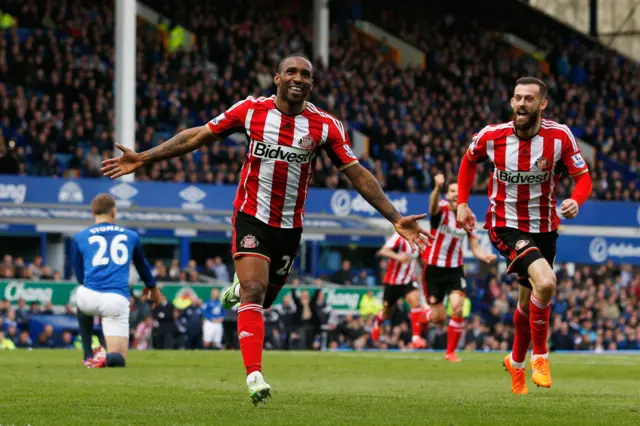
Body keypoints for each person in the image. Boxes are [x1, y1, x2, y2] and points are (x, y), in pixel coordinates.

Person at [100, 52, 432, 405]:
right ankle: (254, 375)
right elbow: (197, 137)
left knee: (265, 299)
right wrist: (144, 158)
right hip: (251, 215)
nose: (298, 78)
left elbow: (357, 174)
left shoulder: (325, 126)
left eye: (306, 74)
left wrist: (394, 218)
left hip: (289, 227)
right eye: (291, 71)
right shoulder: (250, 110)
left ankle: (238, 289)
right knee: (254, 291)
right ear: (277, 78)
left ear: (311, 83)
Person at [456, 77, 592, 394]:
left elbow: (583, 178)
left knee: (528, 302)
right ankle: (540, 357)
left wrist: (576, 200)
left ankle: (515, 363)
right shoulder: (492, 136)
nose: (521, 104)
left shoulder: (559, 137)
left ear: (542, 104)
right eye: (517, 98)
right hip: (506, 224)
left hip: (544, 228)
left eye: (529, 99)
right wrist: (462, 203)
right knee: (545, 283)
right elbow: (468, 161)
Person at [72, 194, 162, 368]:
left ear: (93, 213)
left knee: (82, 302)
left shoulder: (79, 237)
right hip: (116, 300)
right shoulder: (131, 236)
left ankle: (87, 354)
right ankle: (105, 358)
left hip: (88, 296)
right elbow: (142, 267)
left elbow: (79, 277)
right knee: (118, 359)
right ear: (113, 212)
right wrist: (153, 289)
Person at [422, 173, 496, 361]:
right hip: (434, 268)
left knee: (457, 307)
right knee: (438, 319)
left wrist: (484, 257)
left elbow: (475, 246)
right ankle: (427, 313)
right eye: (452, 191)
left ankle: (450, 352)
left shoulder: (469, 217)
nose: (456, 194)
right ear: (447, 194)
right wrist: (437, 188)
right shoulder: (442, 210)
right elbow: (432, 206)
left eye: (459, 191)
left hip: (455, 269)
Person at [371, 231, 425, 348]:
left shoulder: (419, 240)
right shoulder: (398, 237)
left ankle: (416, 338)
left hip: (409, 281)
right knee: (387, 312)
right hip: (393, 282)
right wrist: (398, 256)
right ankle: (378, 323)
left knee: (416, 303)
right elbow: (383, 250)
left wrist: (426, 270)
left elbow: (420, 259)